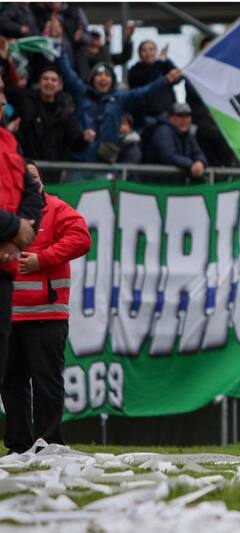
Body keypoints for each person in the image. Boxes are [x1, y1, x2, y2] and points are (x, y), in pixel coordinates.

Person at [2, 160, 90, 453]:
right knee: (11, 383)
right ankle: (18, 447)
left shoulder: (56, 209)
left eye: (34, 178)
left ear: (42, 182)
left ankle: (49, 444)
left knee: (46, 382)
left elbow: (81, 238)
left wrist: (42, 258)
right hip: (10, 315)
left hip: (46, 314)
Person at [50, 18, 182, 164]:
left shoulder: (119, 99)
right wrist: (57, 42)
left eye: (107, 75)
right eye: (99, 75)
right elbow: (66, 71)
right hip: (78, 161)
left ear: (112, 80)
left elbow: (145, 91)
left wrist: (165, 80)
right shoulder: (82, 92)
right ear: (92, 79)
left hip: (104, 163)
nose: (103, 79)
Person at [0, 94, 44, 386]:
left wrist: (16, 239)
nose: (3, 102)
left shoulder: (9, 143)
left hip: (4, 265)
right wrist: (14, 228)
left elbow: (31, 192)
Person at [6, 66, 93, 181]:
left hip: (54, 174)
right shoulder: (26, 102)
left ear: (59, 85)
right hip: (27, 171)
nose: (49, 82)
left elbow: (75, 144)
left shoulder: (65, 113)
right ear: (39, 82)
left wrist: (84, 139)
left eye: (53, 80)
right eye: (45, 79)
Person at [185, 35, 239, 168]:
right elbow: (200, 95)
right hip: (201, 126)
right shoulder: (193, 73)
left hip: (222, 125)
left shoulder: (228, 74)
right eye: (207, 49)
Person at [142, 102, 207, 183]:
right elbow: (167, 155)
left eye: (187, 115)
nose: (184, 119)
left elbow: (197, 152)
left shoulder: (187, 134)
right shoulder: (163, 130)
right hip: (155, 184)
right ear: (170, 118)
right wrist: (191, 165)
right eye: (180, 116)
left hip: (174, 185)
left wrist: (200, 162)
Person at [128, 40, 177, 128]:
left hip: (167, 114)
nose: (148, 53)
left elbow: (177, 77)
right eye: (144, 50)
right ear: (139, 54)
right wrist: (160, 62)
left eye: (151, 49)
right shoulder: (134, 70)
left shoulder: (163, 64)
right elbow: (147, 80)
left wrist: (167, 60)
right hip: (146, 117)